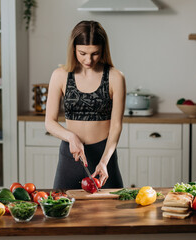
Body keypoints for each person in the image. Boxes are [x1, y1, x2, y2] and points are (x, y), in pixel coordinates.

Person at [45, 20, 126, 189]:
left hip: (104, 157)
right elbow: (50, 122)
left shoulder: (115, 77)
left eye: (95, 53)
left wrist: (104, 161)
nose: (88, 60)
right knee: (61, 211)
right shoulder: (60, 76)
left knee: (112, 213)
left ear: (103, 49)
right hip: (70, 156)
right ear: (73, 48)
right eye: (82, 53)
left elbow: (116, 126)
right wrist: (71, 136)